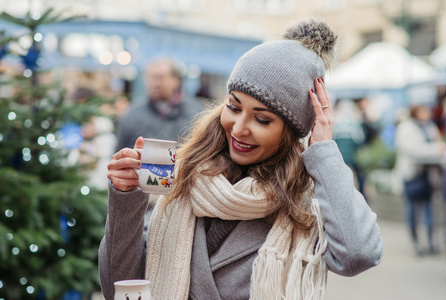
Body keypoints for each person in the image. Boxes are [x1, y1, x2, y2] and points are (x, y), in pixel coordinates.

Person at [99, 19, 383, 300]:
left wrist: (323, 151)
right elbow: (118, 286)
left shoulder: (306, 202)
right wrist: (127, 199)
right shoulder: (183, 177)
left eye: (262, 119)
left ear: (290, 131)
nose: (238, 128)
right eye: (233, 107)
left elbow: (359, 254)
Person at [115, 57, 205, 151]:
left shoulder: (196, 113)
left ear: (176, 81)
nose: (155, 84)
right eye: (151, 78)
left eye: (160, 78)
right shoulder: (133, 114)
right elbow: (120, 151)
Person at [395, 104, 446, 256]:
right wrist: (435, 149)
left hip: (428, 176)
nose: (426, 114)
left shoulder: (429, 126)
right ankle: (416, 243)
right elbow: (413, 150)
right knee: (413, 210)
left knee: (429, 209)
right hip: (412, 175)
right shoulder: (406, 127)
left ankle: (431, 243)